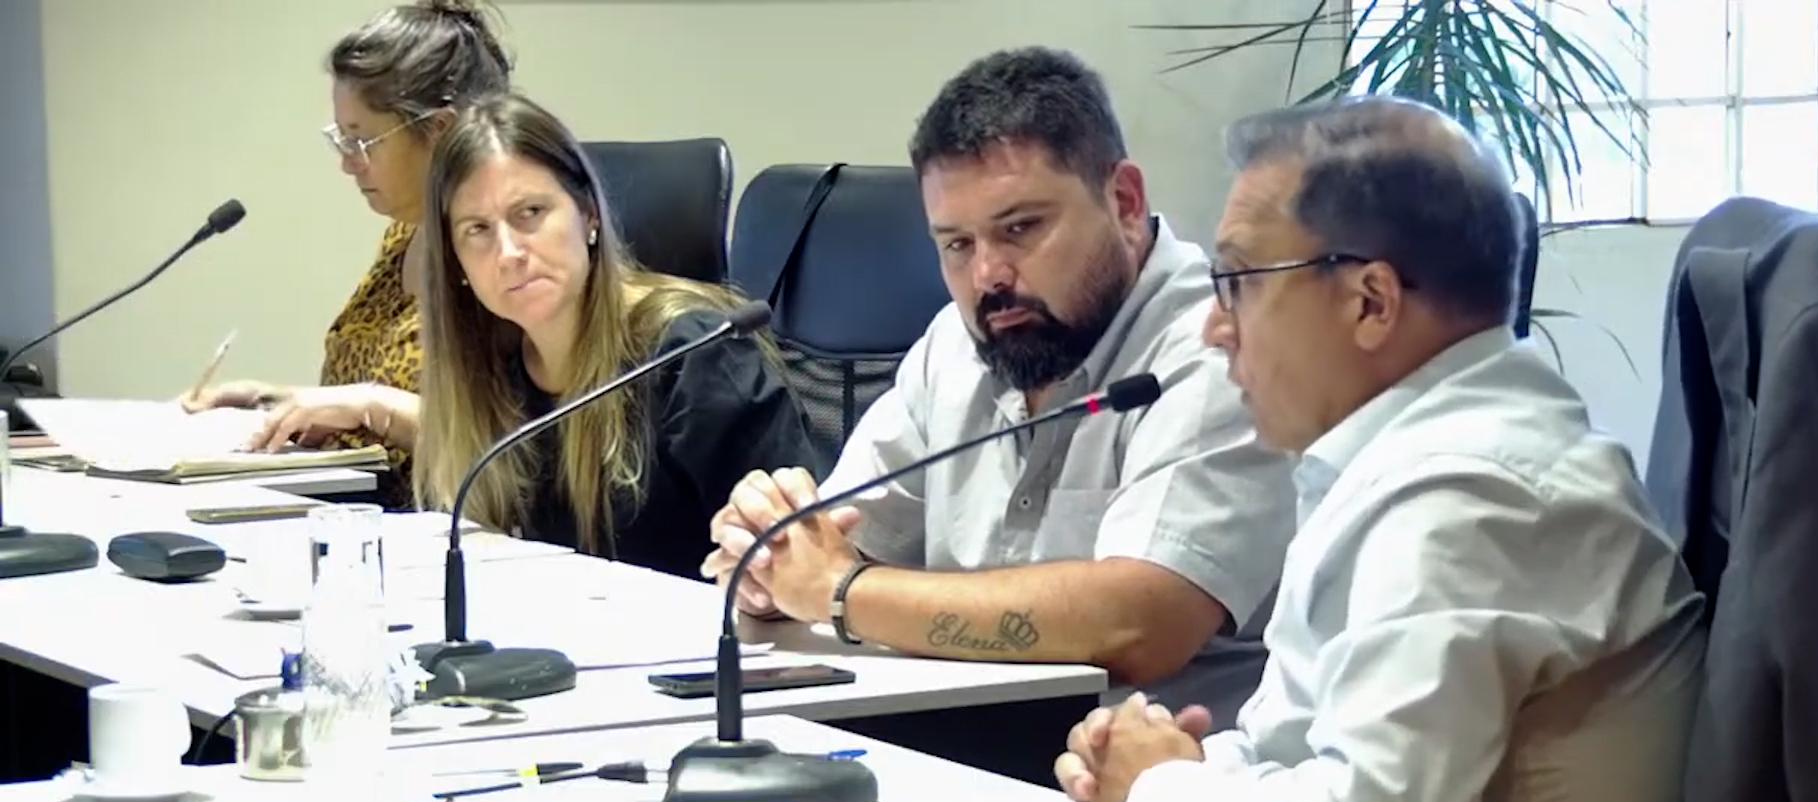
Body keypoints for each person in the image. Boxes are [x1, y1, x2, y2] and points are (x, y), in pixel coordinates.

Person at [1054, 97, 1705, 802]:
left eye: (1237, 282)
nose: (1215, 328)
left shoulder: (1472, 495)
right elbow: (1309, 754)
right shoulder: (1425, 459)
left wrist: (1154, 793)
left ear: (1370, 301)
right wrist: (1163, 767)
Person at [701, 47, 1293, 723]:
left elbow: (1142, 622)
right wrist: (772, 559)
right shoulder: (960, 344)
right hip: (959, 743)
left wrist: (840, 591)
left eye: (1020, 229)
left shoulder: (1220, 350)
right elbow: (840, 540)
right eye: (957, 244)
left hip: (1161, 767)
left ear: (1125, 202)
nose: (988, 276)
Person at [409, 91, 825, 579]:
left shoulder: (695, 355)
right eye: (477, 229)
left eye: (530, 213)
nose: (508, 253)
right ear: (455, 261)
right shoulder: (487, 375)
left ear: (589, 215)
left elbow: (797, 557)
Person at [178, 0, 512, 507]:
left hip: (441, 530)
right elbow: (362, 399)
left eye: (362, 141)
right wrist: (270, 402)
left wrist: (371, 405)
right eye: (341, 139)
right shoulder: (405, 234)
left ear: (439, 131)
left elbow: (509, 445)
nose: (348, 164)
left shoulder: (507, 257)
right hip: (349, 513)